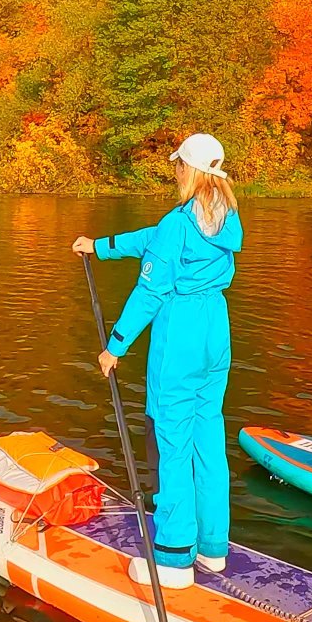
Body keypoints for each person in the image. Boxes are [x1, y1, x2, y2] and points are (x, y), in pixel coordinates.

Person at [71, 132, 243, 590]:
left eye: (177, 167)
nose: (175, 173)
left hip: (182, 333)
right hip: (216, 330)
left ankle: (171, 558)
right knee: (208, 438)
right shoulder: (222, 214)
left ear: (187, 170)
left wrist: (115, 345)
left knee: (170, 443)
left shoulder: (179, 222)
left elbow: (150, 290)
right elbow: (154, 239)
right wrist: (102, 245)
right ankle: (212, 550)